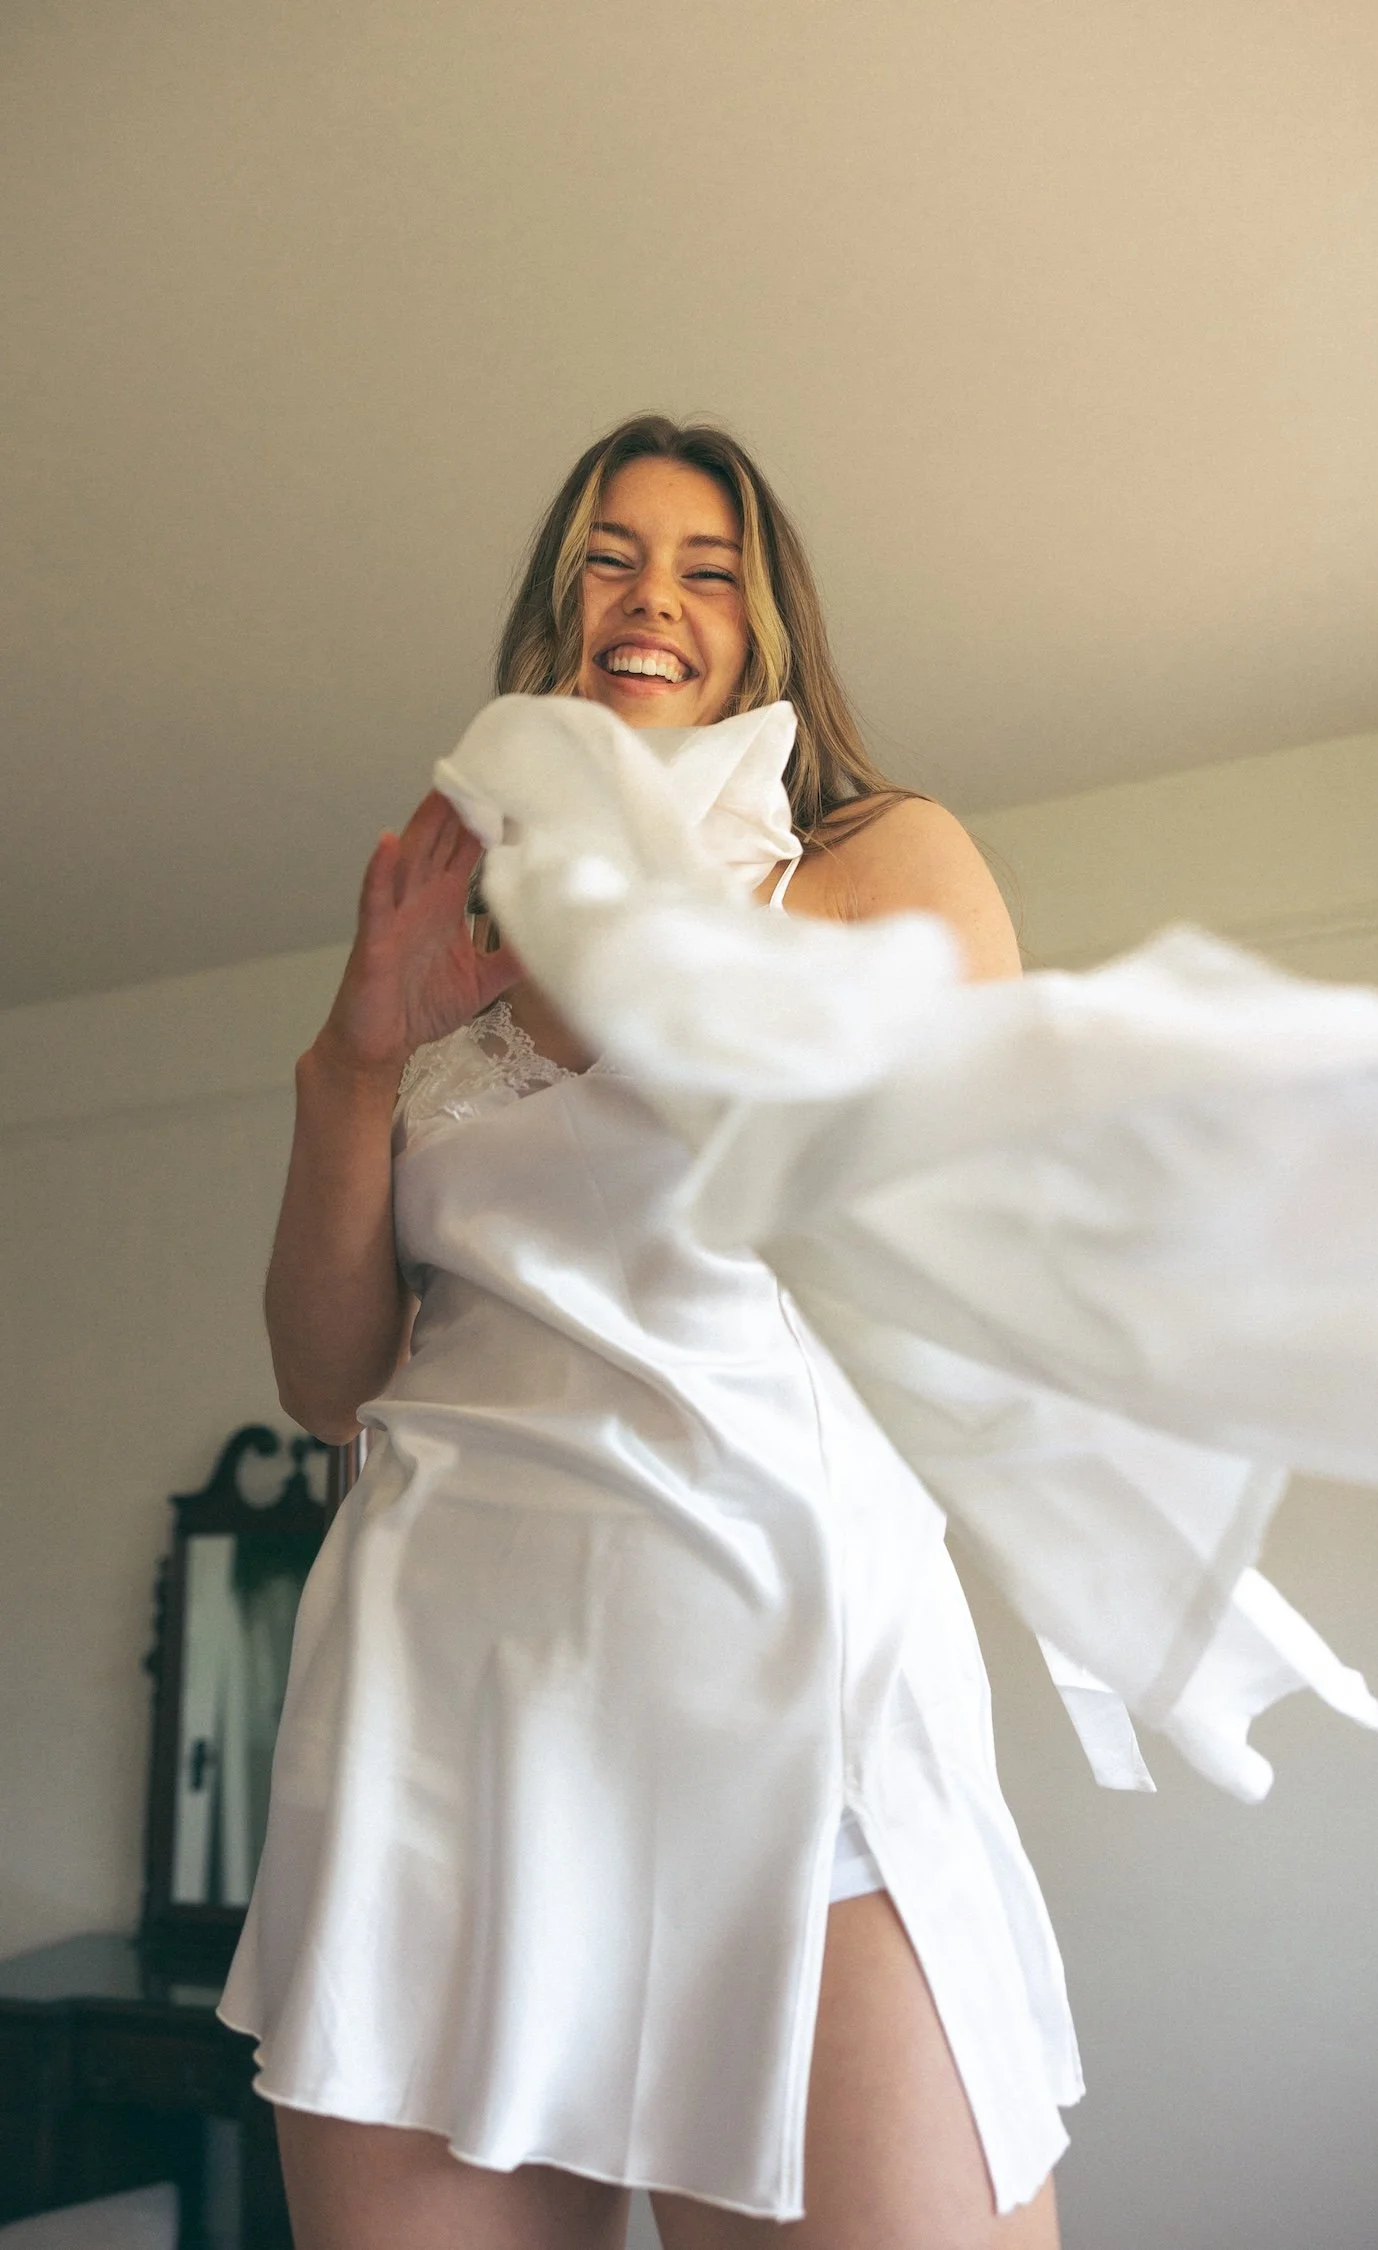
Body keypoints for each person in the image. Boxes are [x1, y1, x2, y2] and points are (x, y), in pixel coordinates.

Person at [225, 414, 1064, 2250]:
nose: (653, 596)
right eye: (611, 555)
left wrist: (652, 974)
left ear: (766, 628)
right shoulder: (455, 932)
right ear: (557, 608)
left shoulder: (879, 855)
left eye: (706, 564)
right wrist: (360, 1057)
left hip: (784, 1690)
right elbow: (325, 1376)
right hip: (443, 1718)